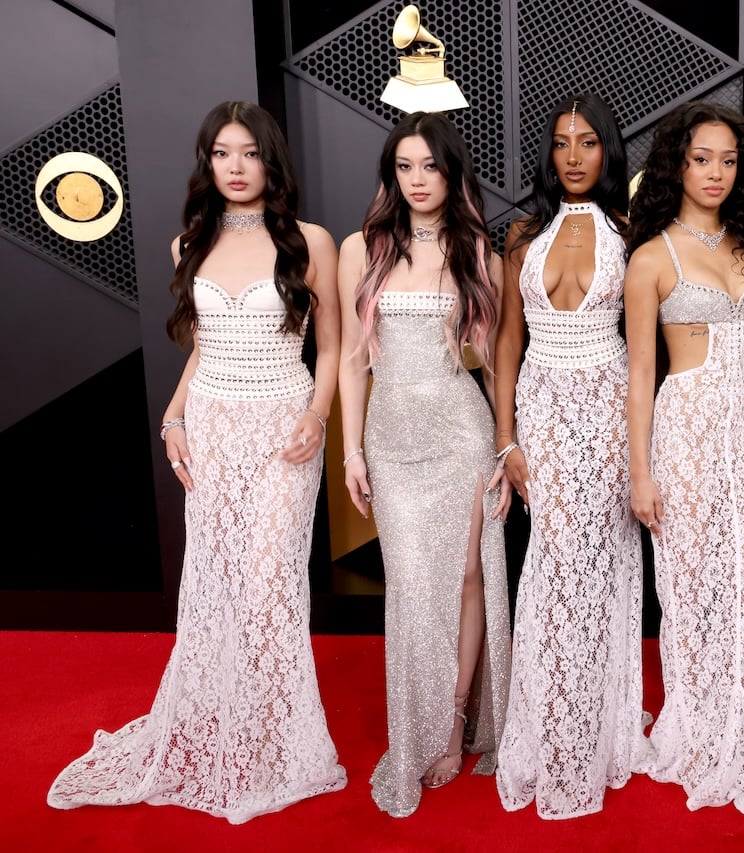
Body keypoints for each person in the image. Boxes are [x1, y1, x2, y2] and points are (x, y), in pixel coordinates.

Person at [47, 101, 347, 823]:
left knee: (269, 582)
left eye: (249, 153)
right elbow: (203, 350)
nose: (236, 167)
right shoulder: (188, 244)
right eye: (222, 153)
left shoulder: (310, 241)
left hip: (284, 427)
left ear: (271, 162)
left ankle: (278, 743)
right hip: (211, 424)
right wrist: (174, 414)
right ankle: (232, 730)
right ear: (207, 162)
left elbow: (334, 346)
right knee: (219, 584)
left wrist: (318, 415)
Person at [624, 101, 744, 816]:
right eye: (702, 158)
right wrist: (640, 471)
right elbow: (640, 374)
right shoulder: (651, 256)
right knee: (687, 586)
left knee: (741, 583)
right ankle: (696, 725)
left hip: (740, 432)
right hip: (683, 428)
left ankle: (736, 713)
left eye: (728, 160)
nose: (715, 173)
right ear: (676, 163)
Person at [335, 112, 511, 818]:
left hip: (459, 425)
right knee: (410, 581)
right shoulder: (362, 248)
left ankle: (452, 721)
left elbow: (497, 365)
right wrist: (350, 448)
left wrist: (505, 443)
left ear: (450, 173)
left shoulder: (478, 253)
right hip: (393, 431)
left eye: (429, 167)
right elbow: (351, 357)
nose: (416, 180)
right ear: (391, 175)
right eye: (404, 167)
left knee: (468, 573)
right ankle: (421, 714)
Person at [492, 92, 650, 820]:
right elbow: (503, 348)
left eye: (588, 142)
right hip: (544, 412)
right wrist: (508, 439)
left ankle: (601, 724)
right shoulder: (523, 236)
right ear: (550, 154)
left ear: (607, 150)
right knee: (553, 562)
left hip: (610, 409)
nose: (576, 155)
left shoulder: (634, 232)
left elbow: (650, 346)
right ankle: (551, 718)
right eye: (562, 143)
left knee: (598, 561)